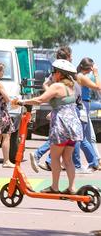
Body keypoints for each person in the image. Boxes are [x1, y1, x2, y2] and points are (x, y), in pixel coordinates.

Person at [14, 59, 83, 194]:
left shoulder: (56, 87)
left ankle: (55, 187)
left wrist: (22, 101)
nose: (52, 74)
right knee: (68, 159)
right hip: (74, 127)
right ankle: (71, 187)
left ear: (59, 73)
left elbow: (40, 100)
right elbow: (61, 101)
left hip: (61, 126)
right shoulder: (72, 86)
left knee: (55, 158)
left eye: (53, 72)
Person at [74, 58, 100, 171]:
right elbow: (98, 87)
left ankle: (95, 161)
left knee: (89, 136)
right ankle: (94, 161)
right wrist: (96, 73)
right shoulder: (81, 76)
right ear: (89, 68)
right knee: (84, 137)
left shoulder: (82, 76)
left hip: (85, 105)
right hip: (83, 105)